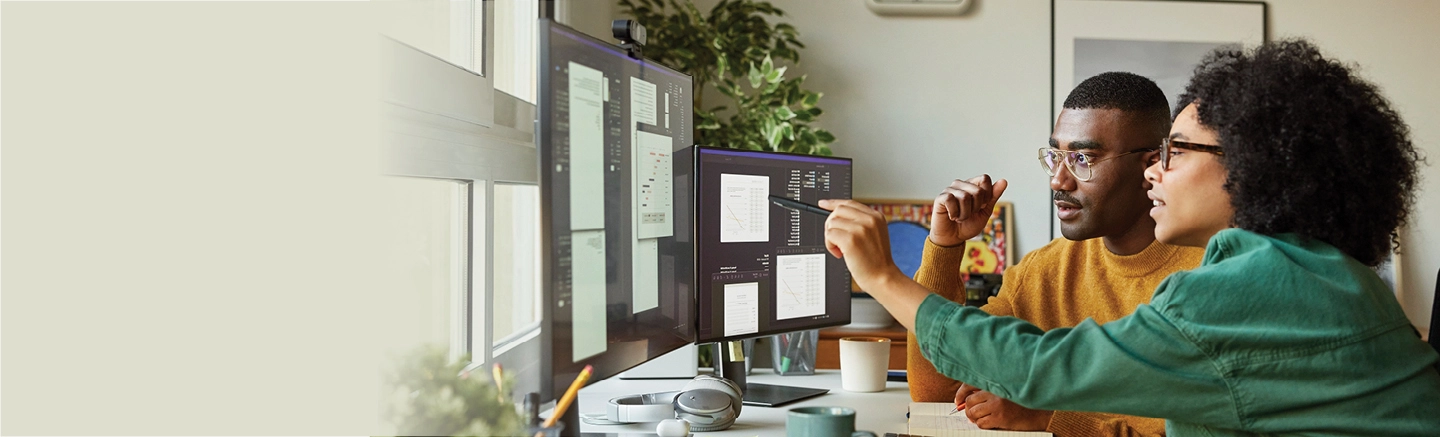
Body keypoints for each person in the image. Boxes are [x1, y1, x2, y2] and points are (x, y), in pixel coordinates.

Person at [821, 39, 1440, 436]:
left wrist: (881, 277)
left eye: (1174, 151)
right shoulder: (1322, 274)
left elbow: (1044, 367)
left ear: (1249, 164)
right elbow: (942, 395)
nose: (1155, 170)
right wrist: (943, 252)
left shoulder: (1246, 288)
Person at [907, 72, 1202, 436]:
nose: (1058, 181)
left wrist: (1047, 418)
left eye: (1082, 158)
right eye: (1056, 156)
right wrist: (944, 248)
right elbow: (938, 392)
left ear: (1149, 165)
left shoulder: (1208, 277)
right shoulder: (1044, 270)